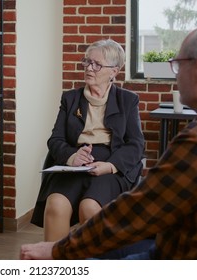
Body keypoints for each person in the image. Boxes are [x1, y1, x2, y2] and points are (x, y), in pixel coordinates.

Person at [21, 23, 197, 260]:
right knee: (59, 205)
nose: (175, 76)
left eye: (178, 65)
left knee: (93, 222)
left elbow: (140, 211)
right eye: (87, 62)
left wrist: (57, 251)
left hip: (174, 258)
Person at [30, 39, 145, 242]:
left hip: (109, 165)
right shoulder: (70, 98)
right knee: (56, 204)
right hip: (75, 164)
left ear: (114, 71)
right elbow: (55, 139)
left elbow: (136, 144)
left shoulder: (128, 100)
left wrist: (110, 166)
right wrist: (72, 156)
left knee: (90, 207)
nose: (89, 68)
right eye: (87, 62)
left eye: (97, 65)